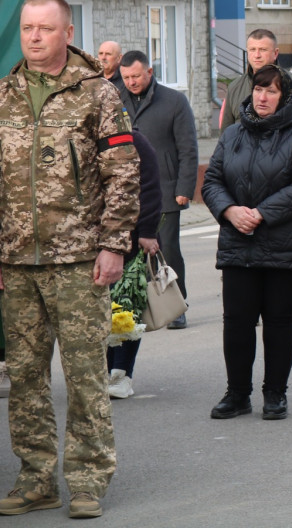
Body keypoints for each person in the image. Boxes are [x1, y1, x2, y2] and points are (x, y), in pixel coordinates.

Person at [0, 0, 139, 519]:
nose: (35, 37)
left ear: (67, 33)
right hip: (17, 263)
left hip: (80, 261)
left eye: (45, 28)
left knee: (85, 376)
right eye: (27, 28)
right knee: (25, 377)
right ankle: (36, 478)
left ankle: (87, 480)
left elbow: (123, 174)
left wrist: (113, 245)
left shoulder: (98, 94)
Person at [202, 65, 292, 421]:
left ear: (284, 97)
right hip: (238, 240)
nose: (262, 97)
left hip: (286, 242)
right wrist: (229, 210)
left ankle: (275, 393)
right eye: (258, 89)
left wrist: (262, 213)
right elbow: (212, 181)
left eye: (271, 91)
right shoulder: (233, 134)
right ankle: (237, 393)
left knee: (278, 321)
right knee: (237, 321)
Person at [117, 49, 199, 329]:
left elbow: (188, 148)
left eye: (136, 76)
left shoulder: (174, 101)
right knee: (129, 253)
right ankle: (133, 307)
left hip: (166, 190)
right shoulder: (114, 99)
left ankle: (176, 305)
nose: (131, 82)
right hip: (125, 191)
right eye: (126, 77)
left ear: (150, 72)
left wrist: (184, 187)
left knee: (168, 250)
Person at [105, 128, 163, 399]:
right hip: (92, 240)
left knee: (125, 306)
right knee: (101, 310)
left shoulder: (132, 139)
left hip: (130, 239)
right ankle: (103, 371)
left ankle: (121, 373)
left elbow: (150, 187)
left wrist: (148, 232)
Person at [222, 28, 292, 132]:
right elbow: (226, 134)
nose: (257, 55)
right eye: (252, 49)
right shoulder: (235, 87)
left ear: (275, 53)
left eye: (263, 50)